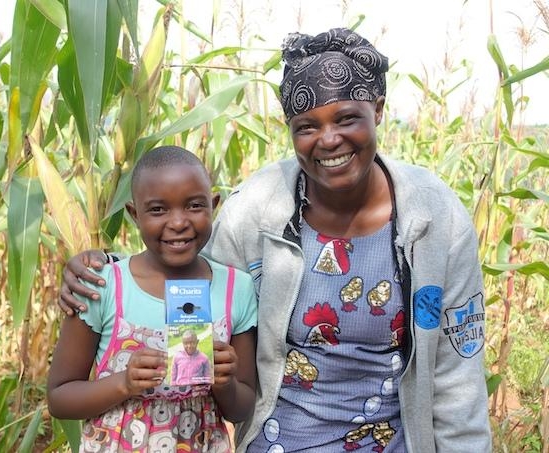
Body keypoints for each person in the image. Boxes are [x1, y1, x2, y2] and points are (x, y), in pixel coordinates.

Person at [59, 27, 492, 452]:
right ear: (290, 130)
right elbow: (192, 274)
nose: (328, 140)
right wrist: (104, 266)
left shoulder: (435, 219)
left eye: (346, 119)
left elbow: (457, 379)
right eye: (307, 126)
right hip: (278, 442)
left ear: (377, 109)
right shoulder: (258, 207)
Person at [47, 146, 258, 452]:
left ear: (214, 206)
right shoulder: (103, 286)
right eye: (158, 210)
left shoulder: (236, 289)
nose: (178, 223)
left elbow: (242, 408)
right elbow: (59, 398)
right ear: (134, 214)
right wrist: (125, 383)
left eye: (194, 206)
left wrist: (224, 383)